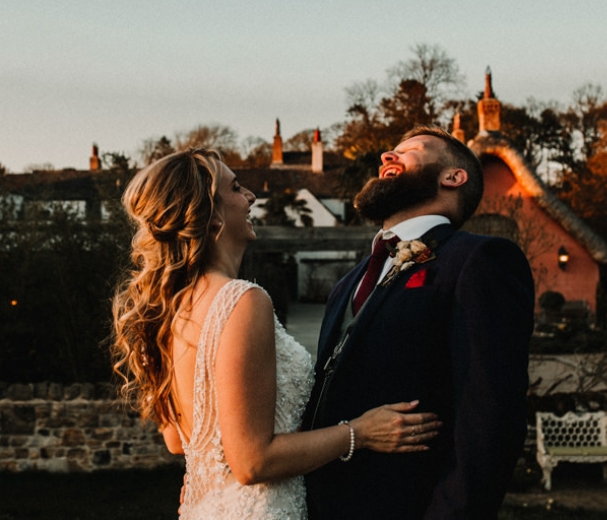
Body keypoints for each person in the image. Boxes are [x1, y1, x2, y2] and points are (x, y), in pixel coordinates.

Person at [111, 149, 441, 519]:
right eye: (236, 188)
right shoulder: (241, 301)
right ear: (212, 215)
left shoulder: (168, 308)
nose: (250, 197)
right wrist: (360, 432)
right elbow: (252, 462)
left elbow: (178, 442)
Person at [303, 126, 535, 519]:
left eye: (411, 150)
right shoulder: (347, 284)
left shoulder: (478, 261)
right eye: (390, 151)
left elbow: (491, 418)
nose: (387, 157)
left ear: (453, 177)